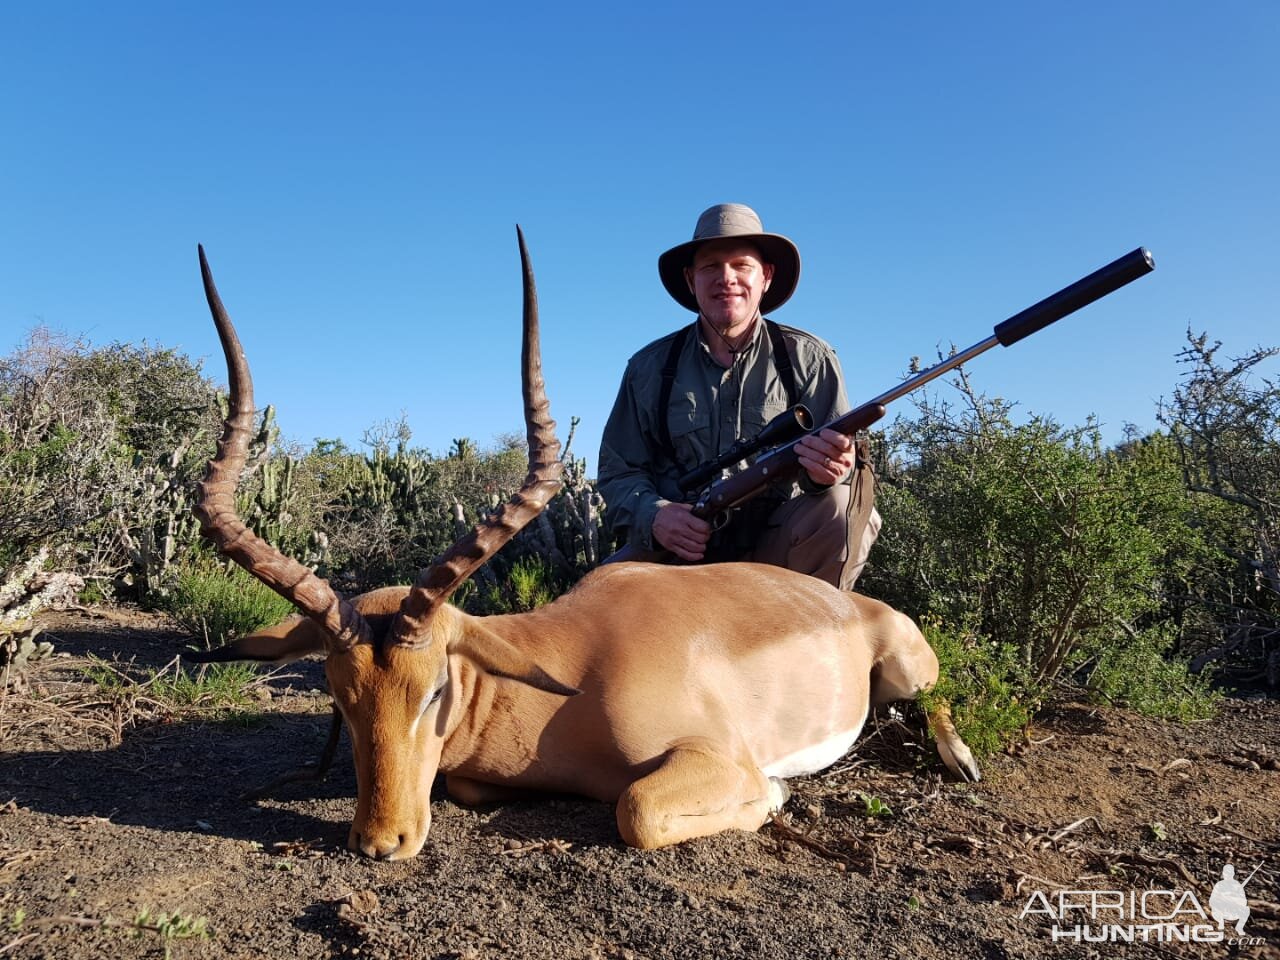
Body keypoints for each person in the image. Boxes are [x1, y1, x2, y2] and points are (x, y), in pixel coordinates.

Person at [598, 203, 880, 589]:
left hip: (775, 552)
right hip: (681, 556)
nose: (725, 278)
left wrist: (832, 470)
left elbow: (839, 466)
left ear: (765, 276)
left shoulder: (810, 357)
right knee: (597, 600)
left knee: (839, 509)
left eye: (740, 266)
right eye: (710, 266)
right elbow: (619, 471)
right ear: (690, 278)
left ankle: (806, 641)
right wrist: (656, 516)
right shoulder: (648, 368)